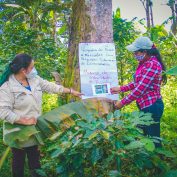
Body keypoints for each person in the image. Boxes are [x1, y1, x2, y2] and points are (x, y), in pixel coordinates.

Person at [0, 53, 83, 177]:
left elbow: (51, 87)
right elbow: (3, 112)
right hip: (17, 132)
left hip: (33, 129)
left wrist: (71, 91)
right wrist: (24, 120)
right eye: (32, 67)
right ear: (23, 70)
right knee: (18, 162)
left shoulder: (34, 79)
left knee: (35, 161)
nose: (34, 70)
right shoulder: (7, 87)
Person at [110, 36, 167, 148]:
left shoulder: (152, 65)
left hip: (152, 106)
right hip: (146, 105)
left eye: (136, 52)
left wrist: (122, 103)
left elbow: (140, 89)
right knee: (146, 136)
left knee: (153, 139)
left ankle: (158, 160)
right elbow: (137, 82)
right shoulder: (145, 63)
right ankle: (150, 160)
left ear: (144, 52)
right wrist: (121, 88)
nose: (134, 54)